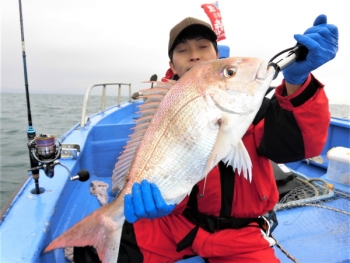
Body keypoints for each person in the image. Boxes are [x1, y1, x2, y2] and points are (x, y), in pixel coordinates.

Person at [74, 15, 338, 263]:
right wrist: (139, 198)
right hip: (174, 223)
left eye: (203, 46)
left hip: (240, 233)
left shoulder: (254, 108)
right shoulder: (161, 106)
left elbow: (298, 145)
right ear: (172, 65)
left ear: (216, 54)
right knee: (88, 252)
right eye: (183, 50)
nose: (195, 55)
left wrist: (298, 82)